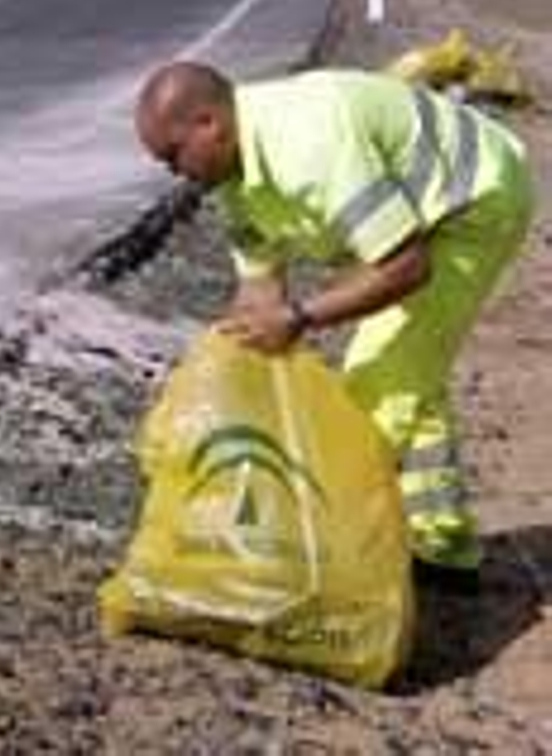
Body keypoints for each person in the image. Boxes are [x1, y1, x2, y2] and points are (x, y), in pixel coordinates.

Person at [135, 62, 535, 588]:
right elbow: (258, 291)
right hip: (411, 221)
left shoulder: (308, 147)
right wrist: (235, 380)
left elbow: (407, 267)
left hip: (473, 204)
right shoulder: (234, 176)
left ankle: (338, 549)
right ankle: (444, 547)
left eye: (173, 154)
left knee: (377, 379)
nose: (173, 172)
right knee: (410, 376)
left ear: (210, 124)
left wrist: (300, 318)